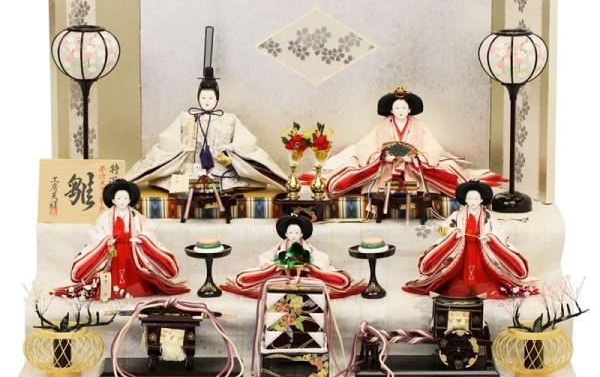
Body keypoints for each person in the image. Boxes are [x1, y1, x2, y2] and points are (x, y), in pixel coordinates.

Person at [124, 66, 287, 192]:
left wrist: (231, 148)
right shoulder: (187, 117)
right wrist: (181, 148)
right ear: (198, 98)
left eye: (210, 97)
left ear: (217, 99)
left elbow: (247, 141)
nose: (207, 101)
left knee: (234, 182)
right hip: (192, 165)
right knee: (177, 181)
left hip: (220, 166)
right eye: (203, 97)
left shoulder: (229, 118)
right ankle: (126, 181)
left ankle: (287, 182)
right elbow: (167, 138)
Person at [323, 86, 506, 198]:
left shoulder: (419, 125)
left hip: (413, 167)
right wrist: (382, 156)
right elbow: (365, 145)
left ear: (410, 109)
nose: (400, 110)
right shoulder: (381, 125)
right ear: (391, 110)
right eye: (397, 107)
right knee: (355, 171)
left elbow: (432, 146)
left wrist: (416, 158)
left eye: (404, 107)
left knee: (446, 170)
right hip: (387, 167)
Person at [53, 179, 189, 299]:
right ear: (113, 200)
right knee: (113, 273)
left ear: (130, 200)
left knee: (133, 274)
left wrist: (142, 238)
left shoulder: (135, 215)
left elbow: (150, 227)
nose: (122, 201)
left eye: (125, 198)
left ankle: (133, 290)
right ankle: (115, 290)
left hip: (131, 249)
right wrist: (105, 240)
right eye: (119, 198)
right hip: (113, 250)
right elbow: (94, 230)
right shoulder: (106, 216)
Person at [403, 181, 536, 299]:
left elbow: (500, 231)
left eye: (476, 198)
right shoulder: (457, 215)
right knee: (457, 287)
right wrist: (453, 233)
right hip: (462, 251)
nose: (473, 201)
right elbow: (441, 229)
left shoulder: (488, 216)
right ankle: (463, 286)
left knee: (482, 281)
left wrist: (490, 237)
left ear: (481, 200)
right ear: (465, 200)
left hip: (481, 250)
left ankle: (479, 286)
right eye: (470, 198)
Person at [221, 215, 364, 299]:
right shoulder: (280, 246)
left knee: (331, 272)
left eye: (296, 233)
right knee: (255, 275)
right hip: (282, 272)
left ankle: (299, 280)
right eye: (290, 233)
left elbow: (319, 256)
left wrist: (309, 263)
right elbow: (266, 256)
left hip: (305, 272)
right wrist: (276, 262)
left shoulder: (306, 246)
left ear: (302, 234)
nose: (293, 236)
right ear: (285, 234)